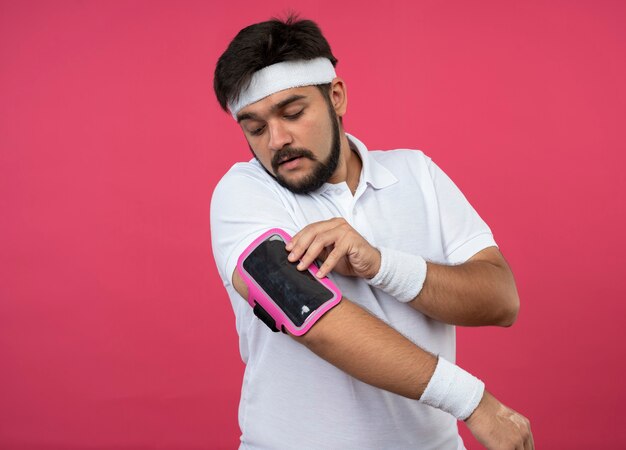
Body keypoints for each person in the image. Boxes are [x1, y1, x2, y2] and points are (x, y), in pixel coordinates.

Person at [210, 15, 533, 450]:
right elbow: (311, 316)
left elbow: (500, 300)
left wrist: (380, 265)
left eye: (293, 112)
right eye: (255, 127)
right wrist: (474, 402)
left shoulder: (416, 173)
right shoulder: (244, 193)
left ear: (336, 96)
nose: (277, 140)